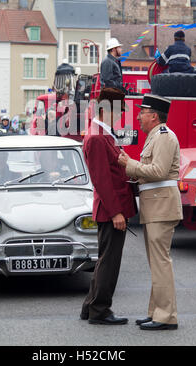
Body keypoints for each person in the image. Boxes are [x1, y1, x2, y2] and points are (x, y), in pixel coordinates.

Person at [118, 94, 183, 331]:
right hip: (156, 206)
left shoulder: (164, 137)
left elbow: (159, 171)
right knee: (157, 263)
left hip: (161, 207)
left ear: (154, 116)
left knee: (160, 263)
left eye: (142, 112)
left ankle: (166, 316)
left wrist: (130, 165)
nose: (138, 117)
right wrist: (134, 170)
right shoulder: (155, 136)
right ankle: (157, 312)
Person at [80, 87, 137, 325]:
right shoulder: (97, 137)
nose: (121, 116)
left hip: (112, 208)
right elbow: (102, 181)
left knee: (106, 259)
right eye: (118, 111)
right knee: (109, 262)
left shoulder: (102, 134)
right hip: (111, 210)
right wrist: (116, 212)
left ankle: (90, 306)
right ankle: (100, 310)